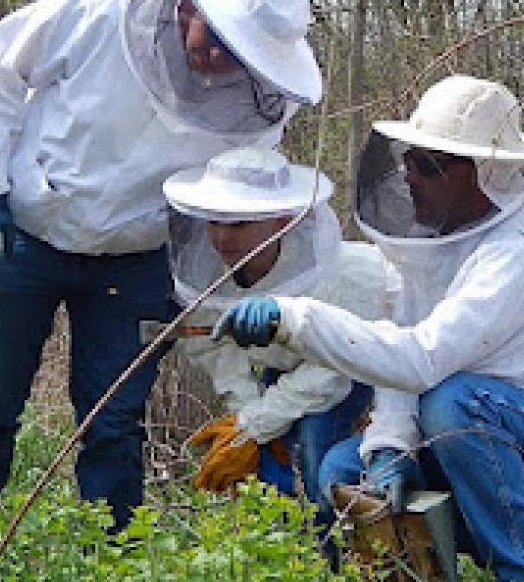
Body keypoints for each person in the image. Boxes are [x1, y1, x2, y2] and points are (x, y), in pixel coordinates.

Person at [211, 74, 524, 582]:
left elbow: (419, 361)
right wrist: (390, 446)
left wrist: (296, 320)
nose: (409, 175)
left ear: (483, 174)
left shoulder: (518, 255)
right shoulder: (436, 251)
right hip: (511, 430)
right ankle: (504, 558)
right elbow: (403, 363)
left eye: (428, 165)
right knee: (345, 469)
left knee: (454, 404)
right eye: (409, 159)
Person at [0, 0, 323, 533]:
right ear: (189, 7)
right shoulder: (99, 7)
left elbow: (233, 198)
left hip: (138, 259)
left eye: (239, 53)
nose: (218, 58)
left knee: (113, 421)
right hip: (27, 235)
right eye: (216, 38)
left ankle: (112, 558)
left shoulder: (260, 103)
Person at [161, 145, 393, 529]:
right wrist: (246, 423)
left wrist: (255, 422)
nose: (222, 237)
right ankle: (283, 546)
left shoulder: (346, 275)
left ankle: (332, 548)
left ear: (282, 221)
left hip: (366, 370)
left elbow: (332, 372)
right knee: (270, 453)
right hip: (291, 369)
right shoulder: (206, 275)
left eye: (239, 224)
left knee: (316, 445)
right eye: (214, 222)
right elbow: (215, 349)